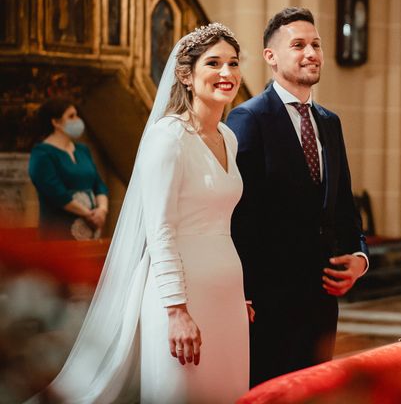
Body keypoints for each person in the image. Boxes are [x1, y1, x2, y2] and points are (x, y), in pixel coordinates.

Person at [37, 23, 250, 403]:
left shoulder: (229, 138)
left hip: (228, 293)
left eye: (233, 63)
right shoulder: (168, 138)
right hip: (182, 294)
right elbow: (161, 230)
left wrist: (237, 294)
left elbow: (221, 220)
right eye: (214, 63)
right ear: (186, 75)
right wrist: (176, 310)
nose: (227, 73)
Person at [226, 7, 369, 387]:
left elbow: (342, 206)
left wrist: (359, 257)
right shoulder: (248, 119)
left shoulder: (329, 122)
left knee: (316, 392)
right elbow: (238, 216)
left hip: (322, 299)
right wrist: (240, 291)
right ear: (271, 57)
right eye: (299, 45)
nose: (312, 53)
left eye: (316, 44)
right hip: (268, 299)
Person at [29, 98, 109, 240]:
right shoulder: (42, 154)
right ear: (56, 122)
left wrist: (102, 210)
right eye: (71, 116)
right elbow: (55, 192)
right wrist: (88, 214)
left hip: (91, 231)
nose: (78, 120)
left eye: (77, 115)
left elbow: (99, 184)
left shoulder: (82, 150)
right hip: (58, 231)